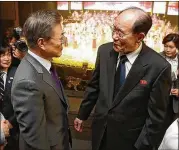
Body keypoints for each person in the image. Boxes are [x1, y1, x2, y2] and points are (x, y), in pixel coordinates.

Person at [74, 7, 172, 150]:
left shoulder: (158, 67)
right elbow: (94, 87)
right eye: (114, 30)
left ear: (140, 37)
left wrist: (142, 146)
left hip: (129, 141)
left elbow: (156, 119)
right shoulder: (104, 51)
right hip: (100, 132)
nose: (114, 36)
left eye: (121, 33)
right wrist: (82, 114)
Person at [11, 10, 71, 150]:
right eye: (60, 37)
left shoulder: (43, 64)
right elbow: (36, 141)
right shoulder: (27, 83)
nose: (63, 41)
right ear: (42, 43)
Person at [0, 45, 19, 150]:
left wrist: (9, 124)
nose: (6, 59)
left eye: (8, 55)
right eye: (2, 55)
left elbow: (23, 103)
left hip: (13, 127)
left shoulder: (17, 73)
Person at [160, 33, 179, 120]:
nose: (167, 49)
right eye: (165, 46)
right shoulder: (157, 58)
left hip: (175, 104)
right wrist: (175, 74)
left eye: (171, 47)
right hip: (159, 101)